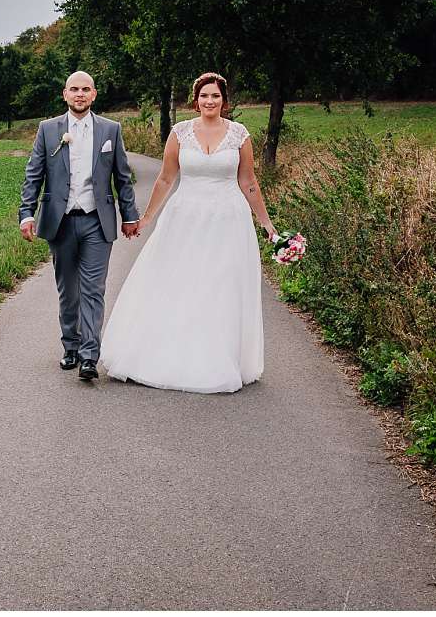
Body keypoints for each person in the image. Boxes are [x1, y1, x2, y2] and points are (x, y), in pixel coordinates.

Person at [101, 72, 275, 394]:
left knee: (221, 286)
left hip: (228, 220)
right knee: (181, 283)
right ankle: (173, 354)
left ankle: (218, 359)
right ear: (195, 101)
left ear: (225, 100)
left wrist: (267, 224)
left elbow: (248, 181)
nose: (210, 101)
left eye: (216, 96)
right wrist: (146, 218)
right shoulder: (180, 133)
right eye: (205, 96)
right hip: (186, 218)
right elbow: (166, 179)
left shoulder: (239, 135)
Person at [19, 69, 140, 381]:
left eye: (86, 89)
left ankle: (89, 355)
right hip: (60, 222)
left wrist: (129, 216)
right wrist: (27, 213)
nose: (80, 94)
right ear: (65, 94)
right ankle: (70, 346)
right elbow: (34, 174)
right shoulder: (48, 130)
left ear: (94, 94)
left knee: (93, 289)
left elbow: (122, 177)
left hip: (97, 222)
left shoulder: (111, 130)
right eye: (74, 89)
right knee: (67, 289)